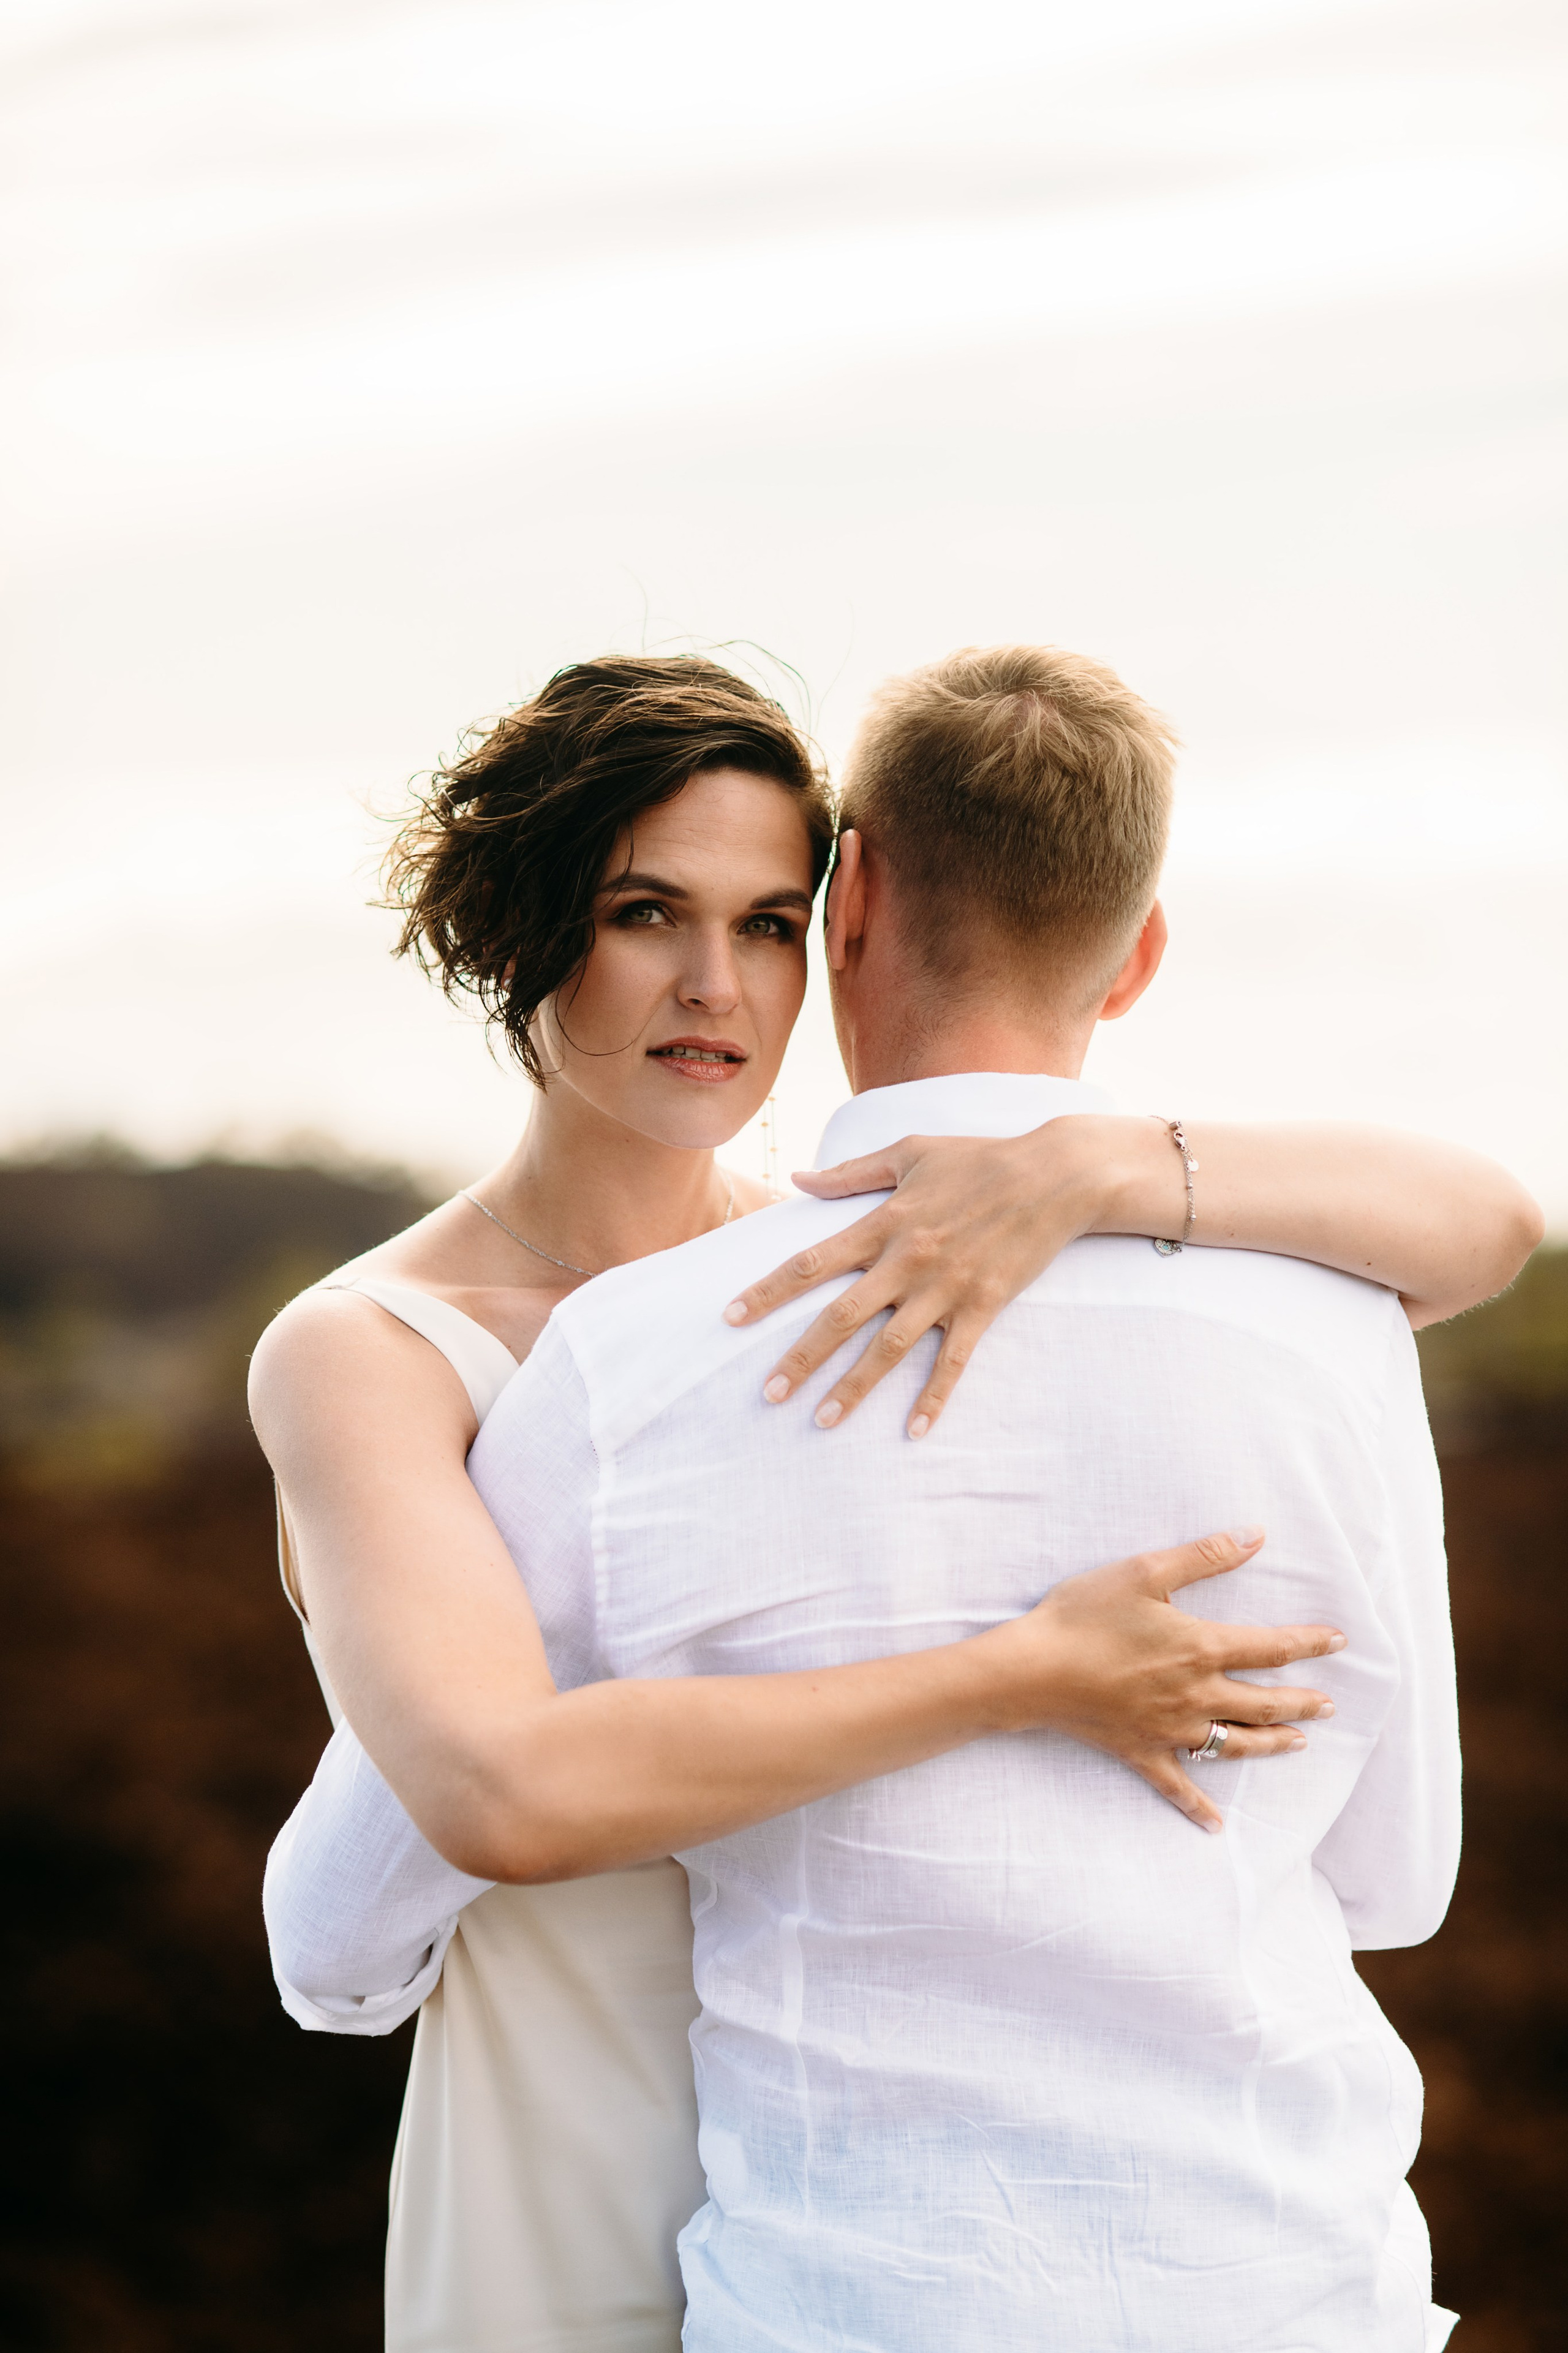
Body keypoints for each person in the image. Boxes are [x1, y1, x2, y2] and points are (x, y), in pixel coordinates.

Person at [253, 652, 1539, 2353]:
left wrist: (1107, 1158)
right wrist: (1018, 1673)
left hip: (829, 2186)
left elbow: (1485, 1221)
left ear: (842, 916)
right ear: (520, 927)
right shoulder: (413, 1350)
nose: (715, 984)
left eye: (768, 923)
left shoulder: (863, 1262)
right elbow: (408, 1869)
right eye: (645, 913)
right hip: (582, 2093)